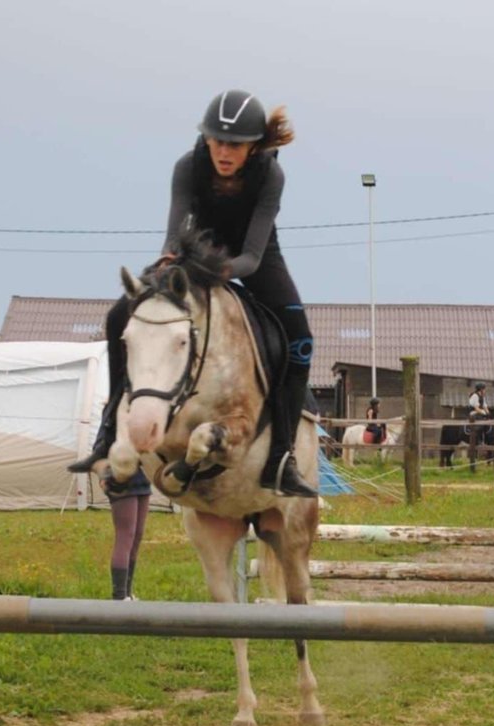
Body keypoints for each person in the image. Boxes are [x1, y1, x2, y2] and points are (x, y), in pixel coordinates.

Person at [69, 89, 317, 498]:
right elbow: (173, 237)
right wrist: (173, 265)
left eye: (235, 144)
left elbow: (251, 257)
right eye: (216, 140)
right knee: (119, 316)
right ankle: (107, 433)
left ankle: (281, 458)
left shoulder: (270, 175)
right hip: (190, 255)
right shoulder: (188, 166)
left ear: (254, 147)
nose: (223, 151)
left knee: (302, 341)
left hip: (250, 260)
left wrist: (216, 271)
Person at [101, 466, 151, 601]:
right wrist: (104, 476)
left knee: (136, 536)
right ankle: (119, 596)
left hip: (143, 480)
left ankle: (127, 593)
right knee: (125, 536)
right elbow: (100, 448)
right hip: (121, 481)